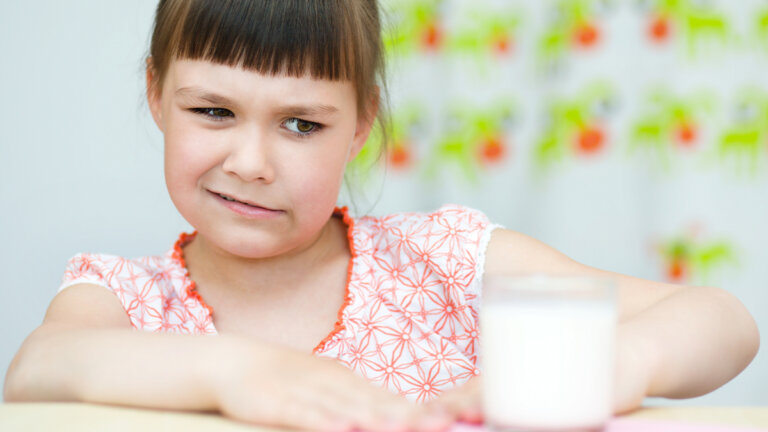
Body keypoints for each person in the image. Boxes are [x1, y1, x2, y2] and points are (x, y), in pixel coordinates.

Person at [4, 0, 759, 431]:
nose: (251, 161)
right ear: (155, 95)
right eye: (213, 111)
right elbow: (37, 370)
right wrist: (235, 372)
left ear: (362, 123)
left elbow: (720, 319)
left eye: (302, 124)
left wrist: (606, 368)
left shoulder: (446, 262)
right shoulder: (121, 297)